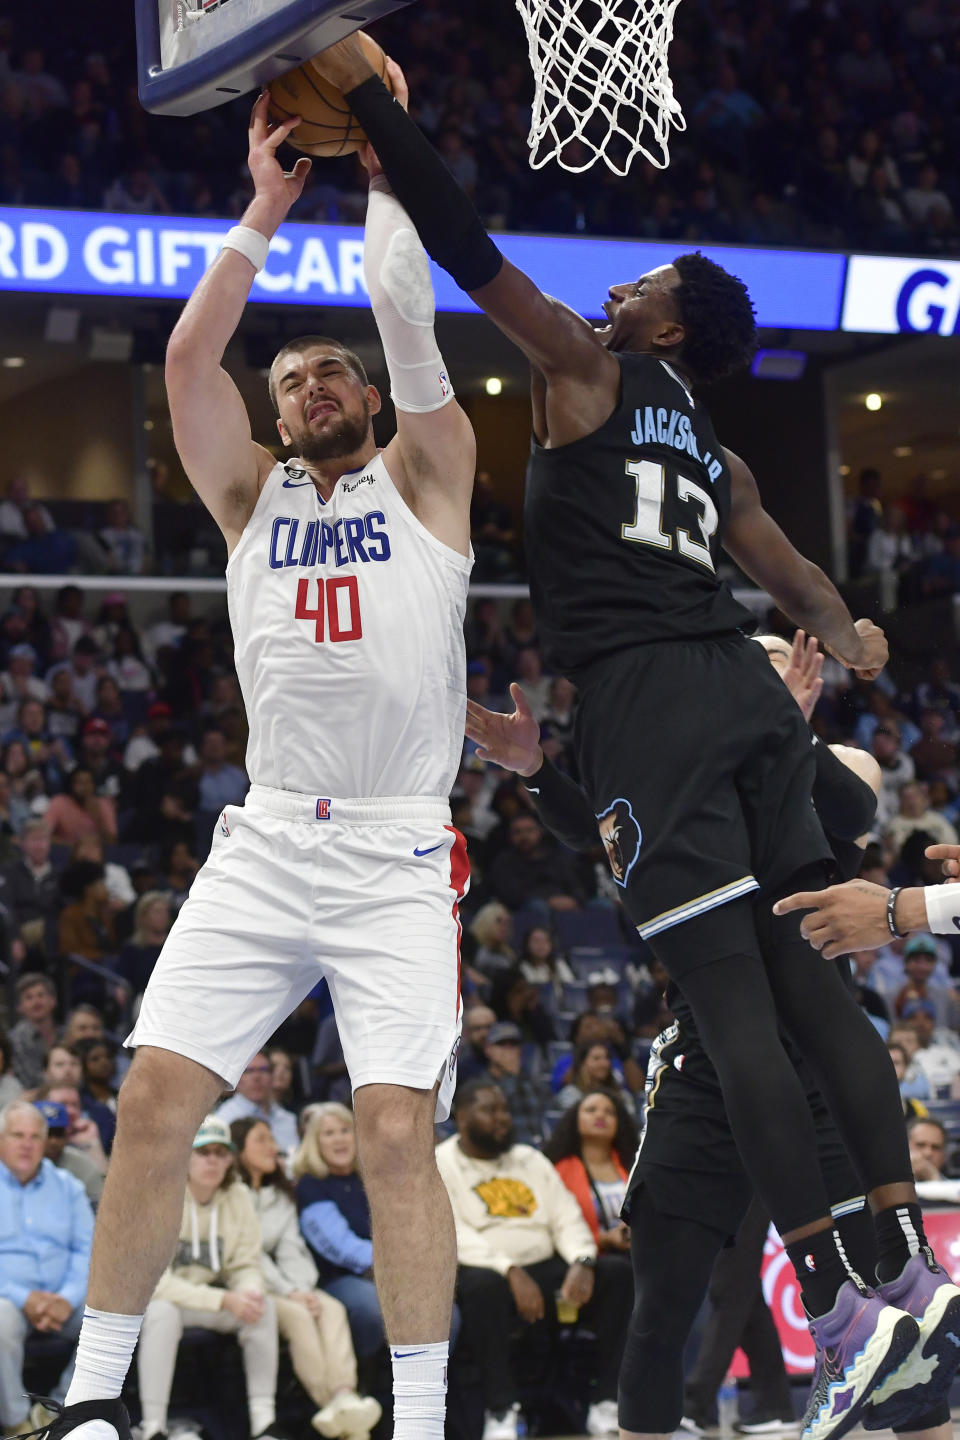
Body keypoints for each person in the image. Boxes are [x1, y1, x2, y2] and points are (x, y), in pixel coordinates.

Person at [311, 47, 950, 1434]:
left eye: (646, 284)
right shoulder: (716, 449)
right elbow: (793, 574)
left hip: (652, 707)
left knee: (738, 1026)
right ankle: (905, 1271)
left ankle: (844, 1311)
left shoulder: (588, 368)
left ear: (663, 329)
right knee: (813, 995)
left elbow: (475, 253)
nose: (621, 287)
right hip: (734, 681)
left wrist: (377, 126)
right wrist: (849, 634)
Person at [41, 78, 477, 1440]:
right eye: (287, 382)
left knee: (399, 1134)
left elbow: (407, 321)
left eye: (326, 372)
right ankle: (101, 1399)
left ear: (366, 395)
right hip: (272, 836)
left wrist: (389, 174)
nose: (306, 388)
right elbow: (186, 366)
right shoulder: (249, 496)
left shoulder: (430, 472)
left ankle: (416, 1420)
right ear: (276, 415)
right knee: (155, 1093)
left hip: (399, 846)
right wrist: (266, 203)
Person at [463, 633, 955, 1439]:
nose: (738, 669)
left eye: (763, 657)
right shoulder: (674, 765)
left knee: (895, 1310)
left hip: (815, 1070)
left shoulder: (836, 760)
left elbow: (855, 811)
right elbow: (603, 829)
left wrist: (788, 732)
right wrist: (536, 773)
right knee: (663, 1305)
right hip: (705, 1068)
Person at [437, 1080, 634, 1439]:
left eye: (504, 1110)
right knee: (482, 1287)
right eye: (489, 1110)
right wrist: (509, 1269)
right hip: (487, 1269)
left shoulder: (529, 1158)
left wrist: (583, 1261)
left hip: (546, 1265)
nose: (502, 1119)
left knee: (617, 1275)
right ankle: (501, 1411)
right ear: (462, 1117)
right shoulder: (443, 1162)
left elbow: (565, 1215)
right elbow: (452, 1231)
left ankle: (606, 1401)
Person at [231, 1116, 382, 1438]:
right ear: (239, 1150)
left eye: (272, 1138)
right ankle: (330, 1405)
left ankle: (344, 1395)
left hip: (289, 1284)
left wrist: (302, 1287)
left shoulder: (280, 1194)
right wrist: (289, 1292)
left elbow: (292, 1248)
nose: (272, 1147)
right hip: (248, 1284)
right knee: (300, 1316)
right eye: (261, 1140)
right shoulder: (232, 1194)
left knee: (332, 1309)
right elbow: (248, 1254)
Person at [136, 1116, 280, 1440]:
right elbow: (155, 1283)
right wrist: (224, 1299)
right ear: (184, 1156)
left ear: (230, 1159)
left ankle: (264, 1422)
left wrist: (249, 1291)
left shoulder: (238, 1196)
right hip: (162, 1303)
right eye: (203, 1152)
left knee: (263, 1307)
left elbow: (246, 1263)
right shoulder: (160, 1196)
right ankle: (153, 1425)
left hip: (210, 1300)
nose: (212, 1160)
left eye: (220, 1152)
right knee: (162, 1313)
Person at [0, 1100, 94, 1434]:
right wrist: (24, 1296)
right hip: (8, 1299)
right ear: (0, 1140)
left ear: (45, 1143)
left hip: (62, 1300)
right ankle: (15, 1423)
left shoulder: (69, 1187)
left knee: (115, 1320)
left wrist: (67, 1298)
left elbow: (87, 1251)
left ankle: (56, 1412)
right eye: (17, 1135)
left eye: (34, 1136)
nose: (26, 1143)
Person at [541, 1090, 637, 1256]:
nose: (600, 1115)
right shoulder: (559, 1170)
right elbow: (555, 1229)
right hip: (590, 1259)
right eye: (591, 1110)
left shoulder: (633, 1164)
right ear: (575, 1121)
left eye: (609, 1112)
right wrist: (603, 1239)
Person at [216, 1051, 299, 1159]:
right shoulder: (223, 1120)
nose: (257, 1077)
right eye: (248, 1071)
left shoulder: (288, 1119)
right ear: (237, 1078)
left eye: (263, 1070)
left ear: (272, 1076)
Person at [36, 1098, 105, 1208]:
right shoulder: (16, 1165)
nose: (53, 1141)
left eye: (59, 1134)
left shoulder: (83, 1166)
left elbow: (100, 1207)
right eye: (48, 1133)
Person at [555, 1040, 636, 1118]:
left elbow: (628, 1122)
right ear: (582, 1064)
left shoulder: (622, 1096)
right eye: (596, 1058)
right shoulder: (570, 1094)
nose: (604, 1063)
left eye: (607, 1058)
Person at [8, 972, 58, 1089]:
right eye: (29, 997)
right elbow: (30, 1081)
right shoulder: (14, 1040)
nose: (36, 1002)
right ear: (20, 1007)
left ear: (53, 1000)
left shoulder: (65, 1033)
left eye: (41, 995)